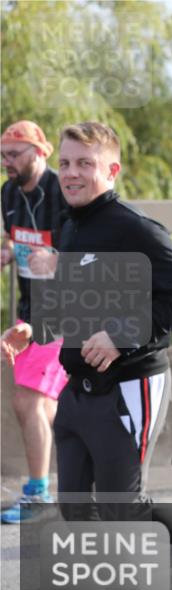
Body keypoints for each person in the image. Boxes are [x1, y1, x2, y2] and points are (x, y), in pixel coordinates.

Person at [0, 122, 172, 590]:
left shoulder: (136, 229)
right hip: (77, 386)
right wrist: (32, 328)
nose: (71, 174)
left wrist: (119, 336)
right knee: (76, 506)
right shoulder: (69, 226)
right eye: (66, 163)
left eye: (84, 164)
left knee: (122, 504)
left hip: (132, 383)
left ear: (111, 170)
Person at [0, 121, 69, 524]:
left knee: (27, 400)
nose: (6, 162)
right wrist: (9, 251)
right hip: (31, 309)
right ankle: (83, 464)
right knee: (42, 404)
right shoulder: (8, 193)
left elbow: (88, 249)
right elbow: (16, 236)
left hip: (64, 309)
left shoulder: (64, 191)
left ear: (40, 152)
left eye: (14, 154)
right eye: (3, 155)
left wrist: (58, 259)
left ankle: (38, 493)